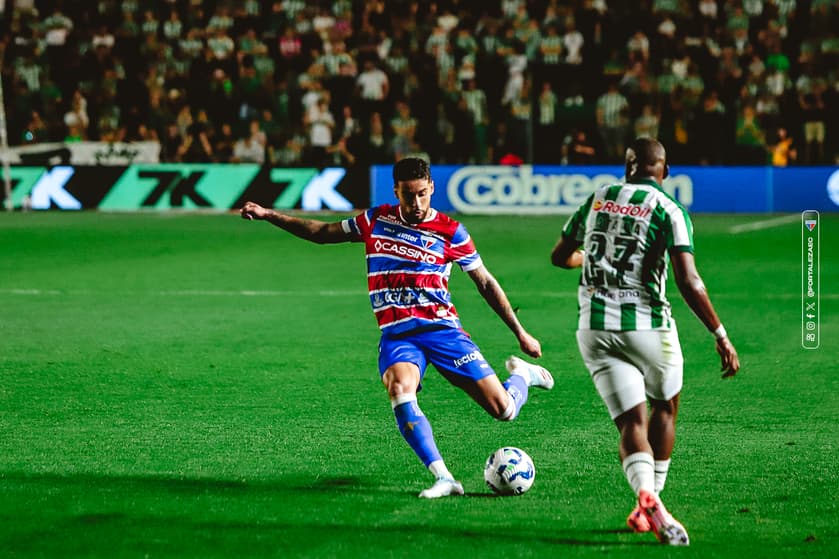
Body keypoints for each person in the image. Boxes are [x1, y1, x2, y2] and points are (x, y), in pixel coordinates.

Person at [240, 157, 554, 498]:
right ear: (396, 192)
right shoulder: (375, 220)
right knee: (399, 389)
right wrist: (269, 214)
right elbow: (321, 233)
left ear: (432, 188)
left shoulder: (452, 232)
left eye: (422, 194)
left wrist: (520, 333)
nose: (416, 203)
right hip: (399, 335)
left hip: (443, 331)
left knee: (503, 411)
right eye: (408, 195)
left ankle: (523, 375)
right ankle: (444, 478)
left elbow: (486, 283)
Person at [550, 138, 739, 545]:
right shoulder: (670, 210)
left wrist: (589, 259)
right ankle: (655, 496)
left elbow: (560, 255)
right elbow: (688, 280)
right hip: (649, 327)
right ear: (664, 171)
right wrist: (719, 333)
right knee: (664, 408)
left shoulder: (599, 197)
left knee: (631, 423)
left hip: (594, 329)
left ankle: (645, 501)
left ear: (628, 166)